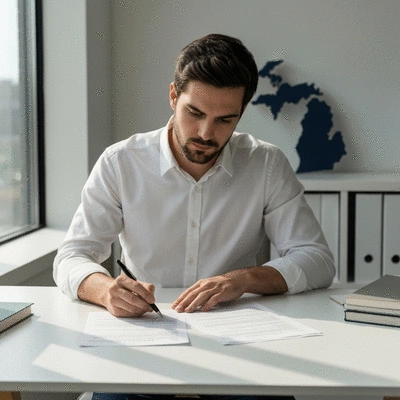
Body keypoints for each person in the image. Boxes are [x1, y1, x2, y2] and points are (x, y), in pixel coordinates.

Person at [54, 34, 335, 400]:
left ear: (242, 112)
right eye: (195, 113)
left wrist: (243, 279)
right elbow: (72, 256)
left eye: (225, 119)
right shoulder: (120, 162)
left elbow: (317, 260)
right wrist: (106, 290)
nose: (206, 133)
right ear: (174, 96)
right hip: (142, 341)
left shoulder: (266, 164)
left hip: (241, 349)